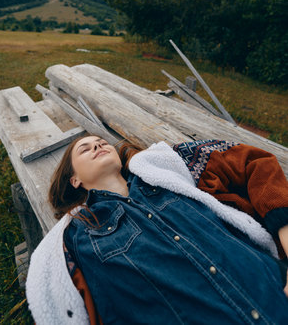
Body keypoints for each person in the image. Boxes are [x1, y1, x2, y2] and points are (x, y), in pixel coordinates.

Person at [26, 135, 288, 324]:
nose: (97, 144)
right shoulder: (75, 236)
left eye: (102, 142)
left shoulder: (168, 167)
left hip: (276, 290)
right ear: (75, 180)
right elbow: (59, 300)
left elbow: (253, 161)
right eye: (85, 149)